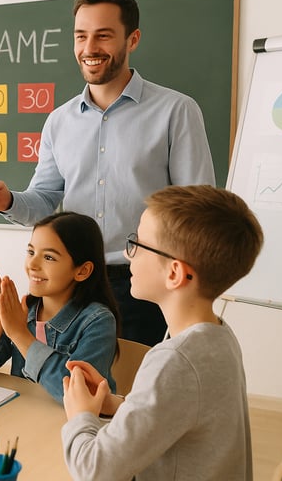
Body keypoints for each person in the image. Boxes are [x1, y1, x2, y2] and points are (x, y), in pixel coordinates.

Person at [0, 0, 215, 347]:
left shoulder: (176, 111)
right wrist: (8, 202)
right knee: (65, 386)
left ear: (133, 38)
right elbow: (45, 200)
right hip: (71, 281)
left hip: (142, 283)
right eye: (81, 36)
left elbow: (197, 214)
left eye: (103, 36)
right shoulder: (59, 121)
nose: (89, 49)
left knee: (129, 394)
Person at [61, 185, 263, 480]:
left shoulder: (175, 360)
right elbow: (182, 411)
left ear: (174, 274)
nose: (129, 255)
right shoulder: (218, 335)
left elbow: (94, 470)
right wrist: (116, 405)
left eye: (139, 244)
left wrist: (81, 416)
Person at [0, 211, 120, 403]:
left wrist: (20, 335)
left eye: (49, 257)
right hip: (26, 415)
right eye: (31, 252)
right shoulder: (25, 311)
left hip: (74, 425)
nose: (33, 264)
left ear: (82, 271)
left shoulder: (97, 320)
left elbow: (81, 395)